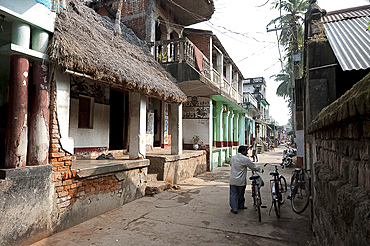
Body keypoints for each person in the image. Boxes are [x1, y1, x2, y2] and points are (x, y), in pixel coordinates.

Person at [229, 145, 263, 214]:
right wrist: (260, 170)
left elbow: (231, 164)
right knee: (241, 194)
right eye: (245, 151)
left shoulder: (233, 158)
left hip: (233, 180)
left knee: (233, 194)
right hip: (241, 181)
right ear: (242, 151)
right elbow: (253, 167)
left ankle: (234, 208)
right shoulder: (245, 159)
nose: (246, 152)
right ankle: (240, 205)